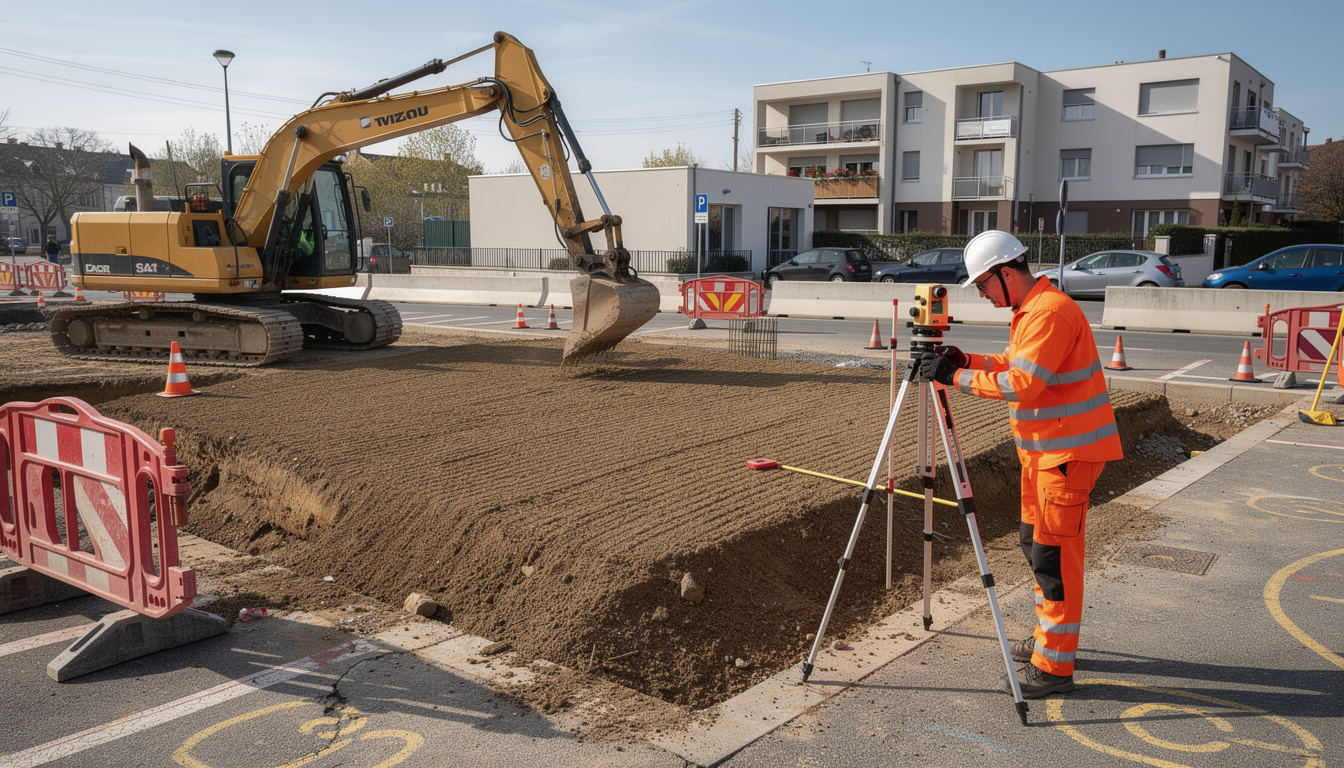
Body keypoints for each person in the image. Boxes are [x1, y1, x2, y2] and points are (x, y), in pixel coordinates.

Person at [919, 230, 1123, 699]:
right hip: (1045, 457)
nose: (983, 294)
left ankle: (1054, 667)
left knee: (1055, 562)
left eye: (983, 285)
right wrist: (967, 359)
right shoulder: (1032, 309)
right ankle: (1049, 642)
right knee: (1036, 547)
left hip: (1065, 459)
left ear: (1006, 273)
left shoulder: (1050, 312)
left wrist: (954, 376)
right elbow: (1014, 362)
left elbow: (1023, 385)